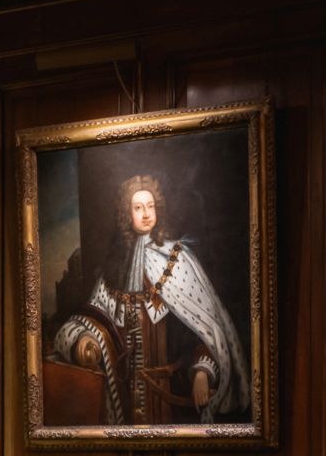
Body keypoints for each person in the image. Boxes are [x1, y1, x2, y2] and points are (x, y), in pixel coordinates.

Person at [52, 175, 249, 423]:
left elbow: (201, 330)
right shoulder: (114, 269)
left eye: (150, 206)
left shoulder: (178, 260)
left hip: (171, 395)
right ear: (127, 214)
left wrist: (202, 372)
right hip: (126, 397)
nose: (146, 214)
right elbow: (92, 316)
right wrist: (85, 340)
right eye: (138, 208)